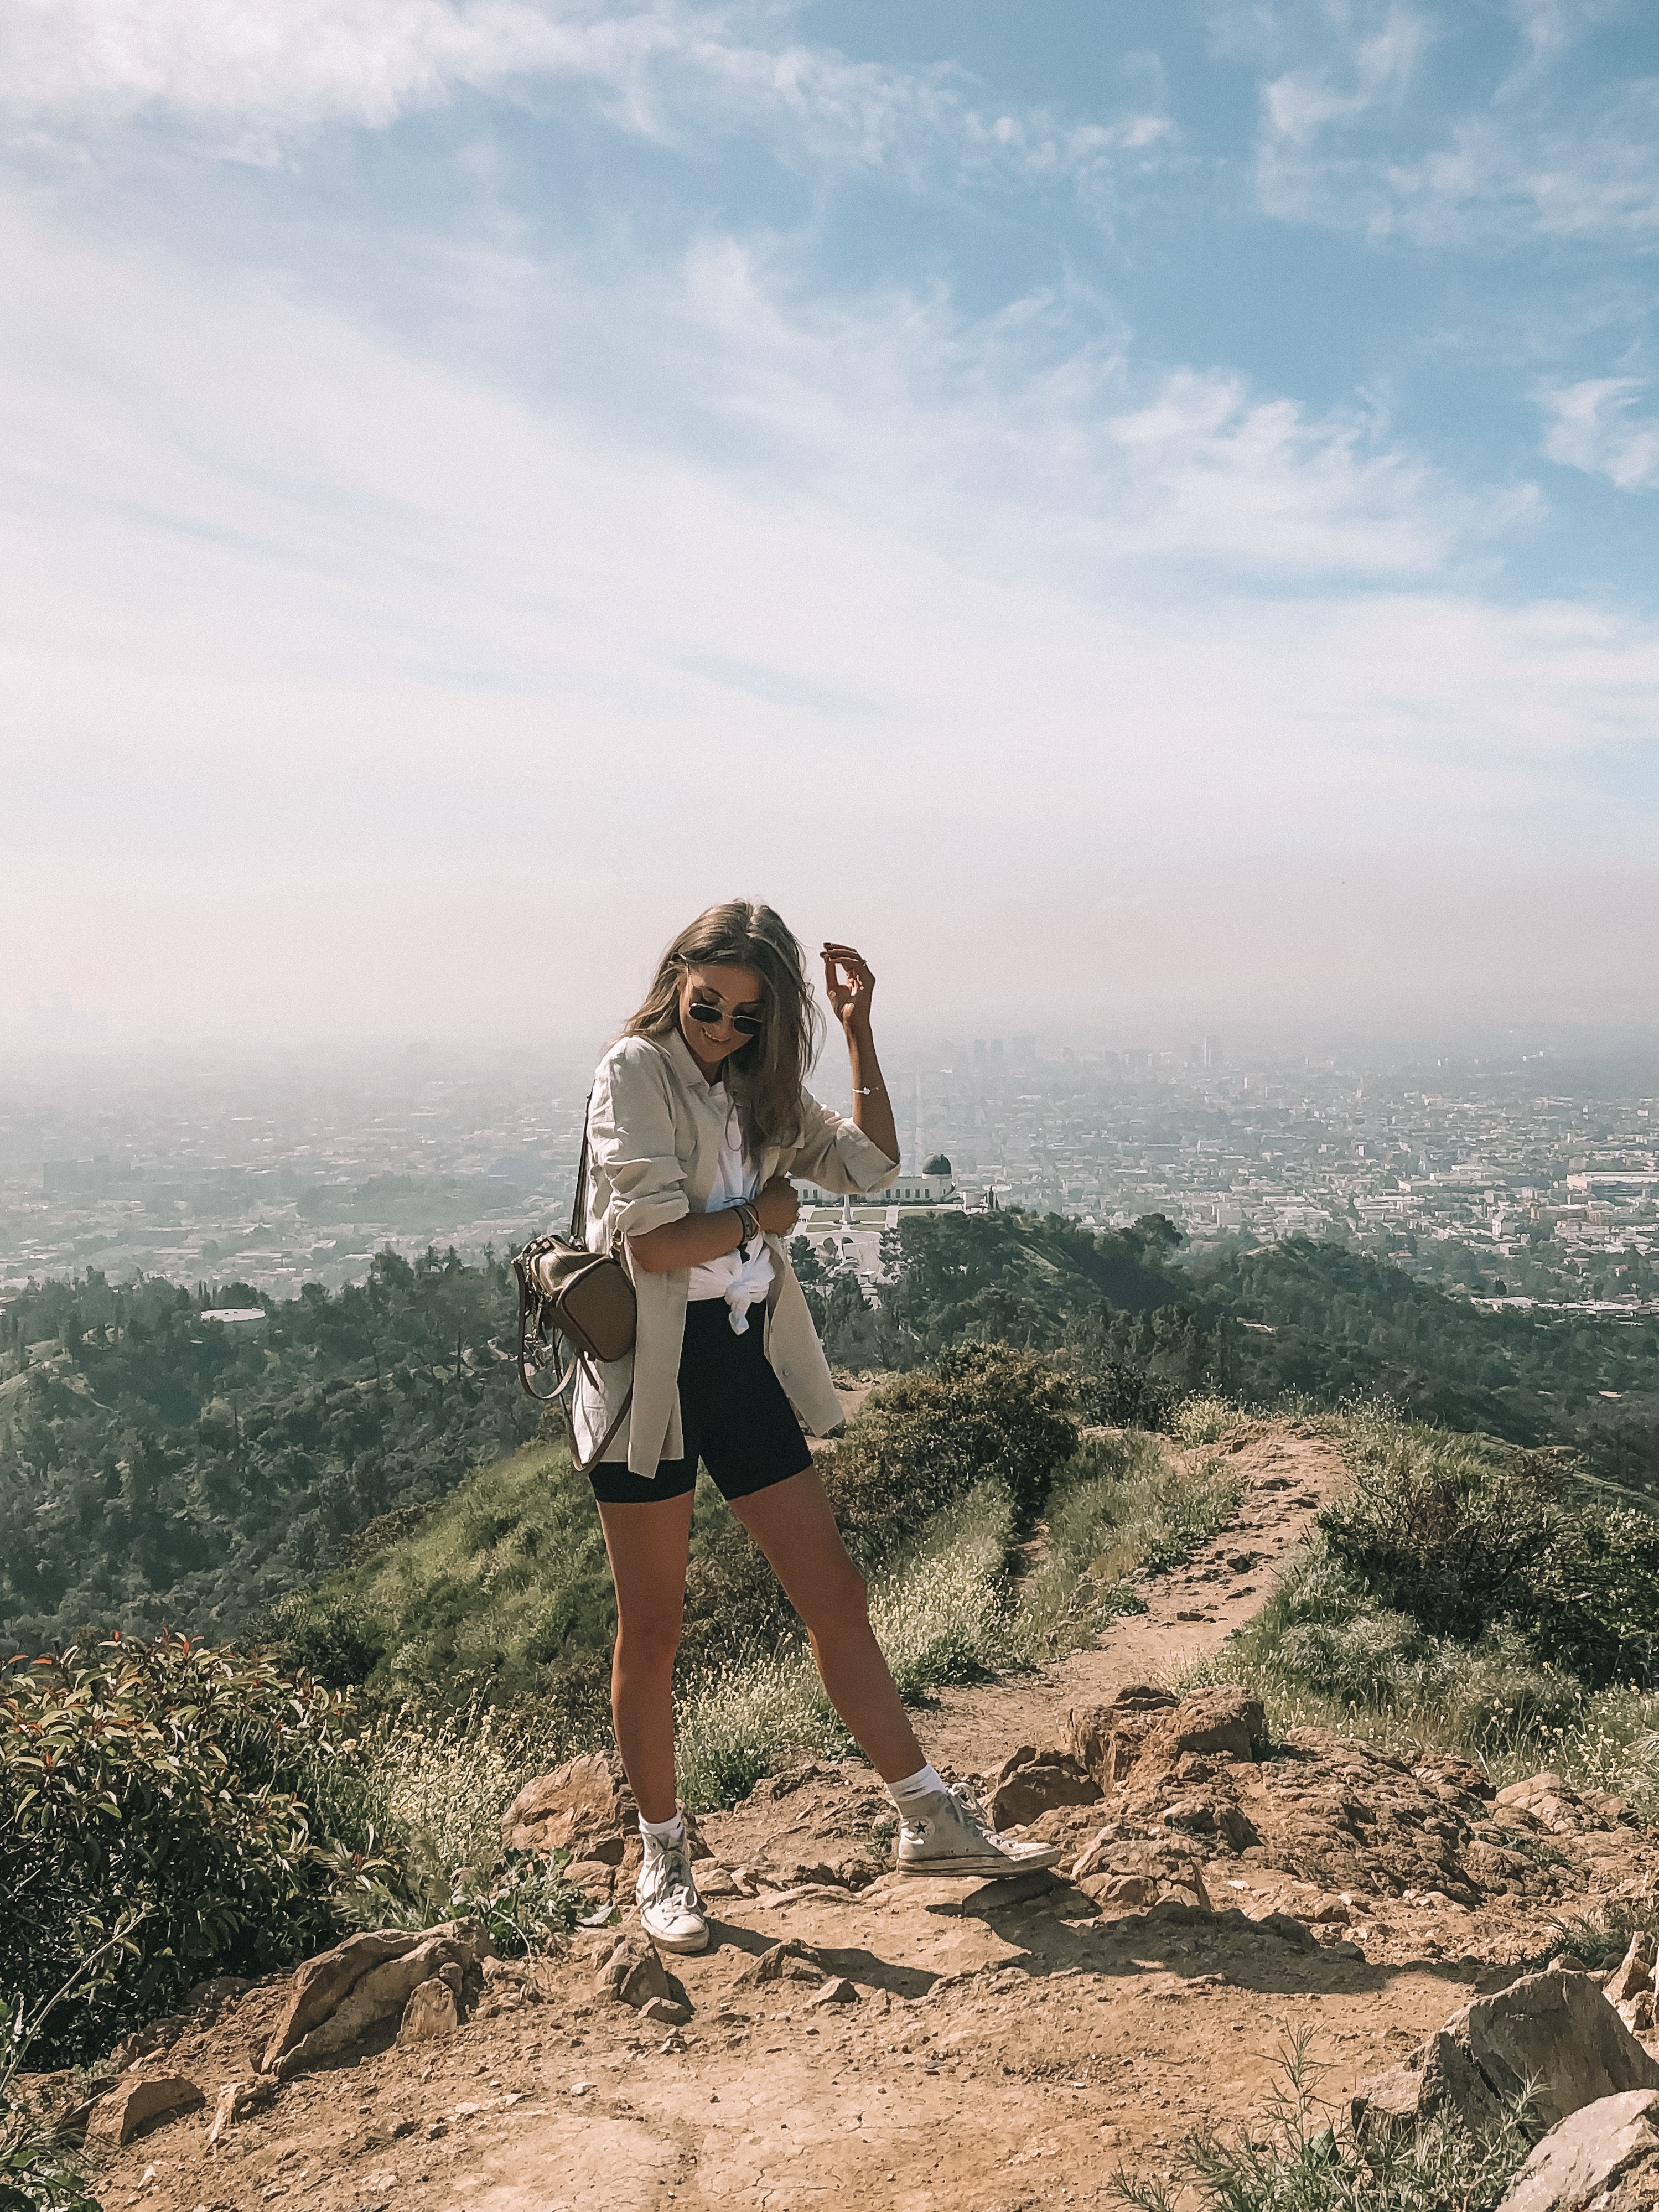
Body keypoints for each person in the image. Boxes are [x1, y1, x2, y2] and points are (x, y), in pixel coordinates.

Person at [574, 900, 1061, 1952]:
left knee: (833, 1590)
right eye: (708, 1004)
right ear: (677, 979)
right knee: (653, 1628)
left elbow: (875, 1167)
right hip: (647, 1372)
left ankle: (927, 1818)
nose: (723, 1028)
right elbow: (654, 1245)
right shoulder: (634, 1068)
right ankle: (662, 1858)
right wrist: (762, 1216)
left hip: (737, 1357)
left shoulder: (761, 1085)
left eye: (749, 1016)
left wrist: (859, 1035)